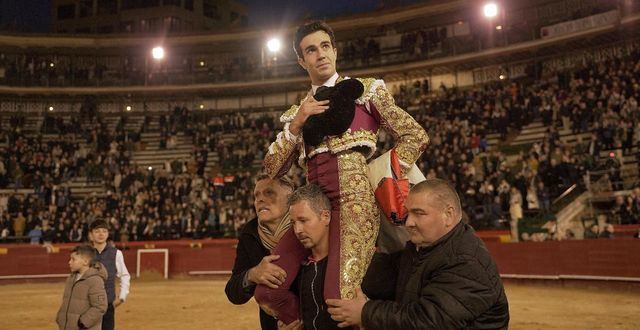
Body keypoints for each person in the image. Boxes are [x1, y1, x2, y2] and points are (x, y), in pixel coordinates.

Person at [260, 20, 428, 325]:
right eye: (311, 50)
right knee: (268, 290)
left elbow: (415, 135)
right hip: (313, 211)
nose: (320, 54)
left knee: (339, 300)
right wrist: (298, 122)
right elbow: (272, 169)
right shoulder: (296, 113)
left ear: (335, 51)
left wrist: (386, 176)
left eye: (325, 46)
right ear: (302, 61)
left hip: (356, 208)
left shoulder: (366, 92)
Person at [326, 179, 510, 329]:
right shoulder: (424, 248)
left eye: (419, 213)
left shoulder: (466, 261)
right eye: (408, 214)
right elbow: (383, 275)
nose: (409, 223)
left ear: (448, 214)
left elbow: (428, 322)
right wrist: (342, 261)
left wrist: (365, 313)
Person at [225, 174, 296, 330]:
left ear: (290, 199)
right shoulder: (249, 234)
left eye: (269, 193)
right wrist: (252, 275)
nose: (260, 199)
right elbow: (232, 292)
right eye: (256, 195)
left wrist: (298, 315)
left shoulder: (304, 228)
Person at [277, 184, 340, 330]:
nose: (297, 230)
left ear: (326, 216)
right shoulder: (298, 270)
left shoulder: (353, 263)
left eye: (303, 220)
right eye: (293, 223)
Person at [89, 220, 131, 330]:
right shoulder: (85, 253)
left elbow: (124, 275)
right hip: (87, 304)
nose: (101, 234)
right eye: (97, 231)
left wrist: (121, 297)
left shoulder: (116, 253)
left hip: (108, 304)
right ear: (91, 234)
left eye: (104, 231)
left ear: (108, 234)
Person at [56, 245, 108, 330]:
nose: (69, 262)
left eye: (73, 259)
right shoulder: (71, 278)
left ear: (85, 261)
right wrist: (60, 317)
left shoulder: (95, 280)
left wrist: (82, 323)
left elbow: (100, 307)